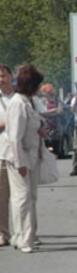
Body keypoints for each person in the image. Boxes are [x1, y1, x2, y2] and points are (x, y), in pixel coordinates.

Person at [4, 65, 44, 253]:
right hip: (21, 157)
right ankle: (24, 239)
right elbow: (14, 137)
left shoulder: (28, 102)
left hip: (32, 155)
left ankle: (22, 236)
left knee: (29, 197)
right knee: (23, 198)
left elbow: (33, 124)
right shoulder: (18, 103)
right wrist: (20, 162)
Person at [0, 63, 15, 246]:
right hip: (1, 152)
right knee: (1, 197)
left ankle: (25, 232)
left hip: (20, 154)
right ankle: (3, 233)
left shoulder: (21, 98)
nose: (1, 80)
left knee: (23, 197)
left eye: (3, 75)